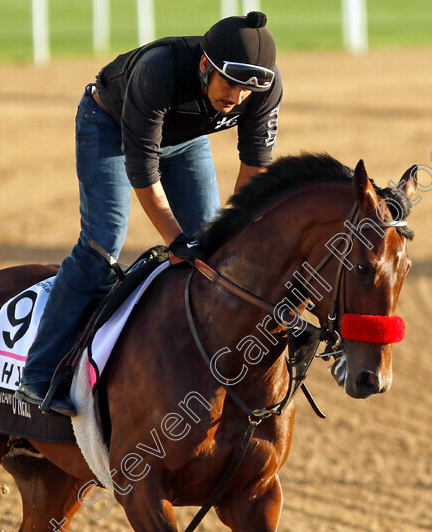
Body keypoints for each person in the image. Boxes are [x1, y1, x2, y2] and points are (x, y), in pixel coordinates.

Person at [15, 11, 282, 416]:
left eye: (248, 90)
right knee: (101, 245)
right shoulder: (158, 71)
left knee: (215, 250)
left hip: (186, 140)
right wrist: (176, 240)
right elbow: (143, 173)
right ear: (205, 66)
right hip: (109, 126)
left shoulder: (263, 88)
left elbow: (255, 172)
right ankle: (38, 374)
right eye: (230, 84)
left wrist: (231, 235)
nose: (238, 99)